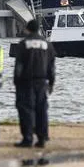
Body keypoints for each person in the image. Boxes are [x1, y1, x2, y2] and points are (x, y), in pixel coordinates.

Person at [11, 19, 55, 148]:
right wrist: (51, 82)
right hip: (42, 82)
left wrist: (16, 81)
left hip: (26, 82)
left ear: (28, 29)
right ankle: (42, 138)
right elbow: (51, 66)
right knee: (41, 109)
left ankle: (28, 138)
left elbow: (19, 65)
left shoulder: (23, 44)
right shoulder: (47, 45)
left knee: (26, 109)